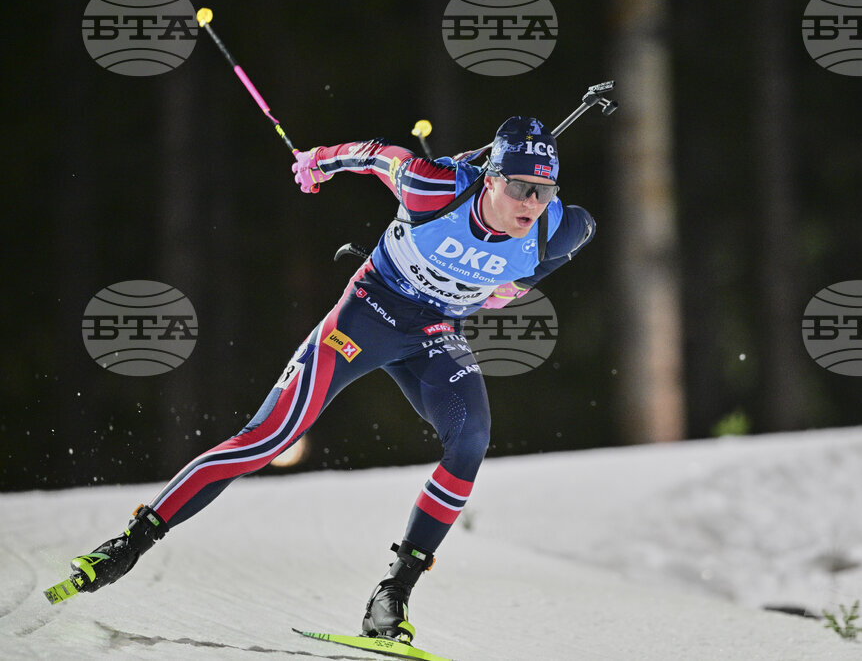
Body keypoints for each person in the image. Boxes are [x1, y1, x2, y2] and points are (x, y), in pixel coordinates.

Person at [62, 116, 596, 643]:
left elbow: (552, 253)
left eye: (544, 191)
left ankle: (392, 593)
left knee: (471, 441)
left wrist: (507, 287)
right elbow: (372, 153)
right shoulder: (432, 188)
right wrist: (315, 162)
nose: (533, 204)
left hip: (434, 332)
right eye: (522, 188)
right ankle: (130, 542)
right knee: (269, 437)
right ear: (491, 178)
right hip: (369, 313)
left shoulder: (556, 229)